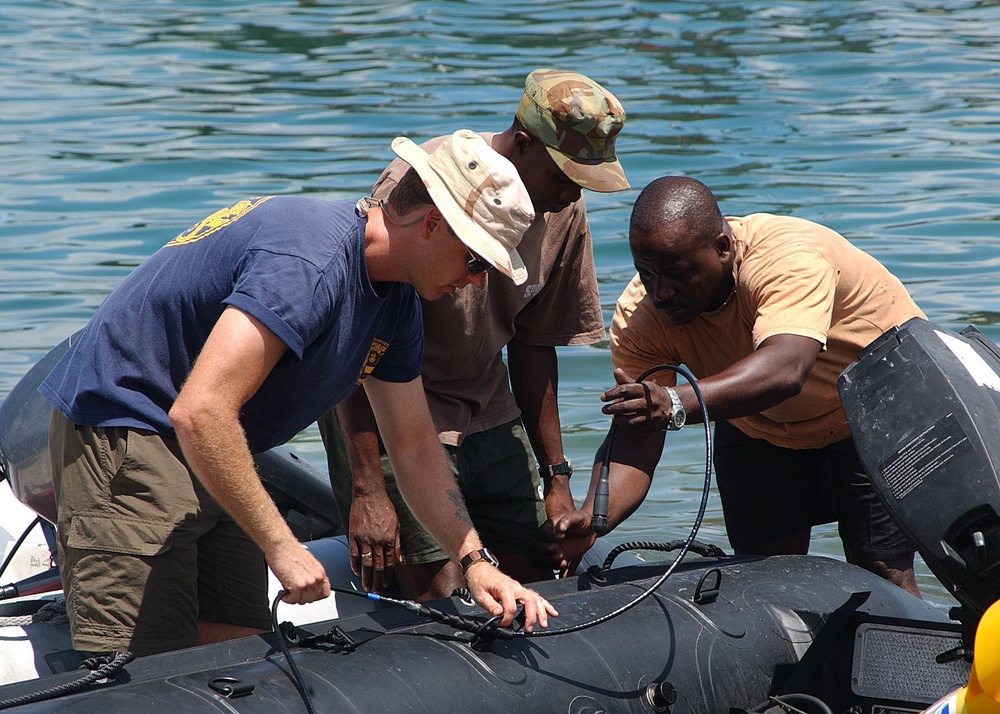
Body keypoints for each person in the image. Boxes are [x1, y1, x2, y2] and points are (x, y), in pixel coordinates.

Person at [39, 129, 557, 657]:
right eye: (477, 261)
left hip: (217, 445)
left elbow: (414, 446)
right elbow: (200, 410)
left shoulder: (398, 302)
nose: (477, 283)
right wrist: (282, 544)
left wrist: (475, 563)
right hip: (130, 426)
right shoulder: (310, 261)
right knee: (148, 667)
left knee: (240, 655)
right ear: (432, 224)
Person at [319, 68, 629, 600]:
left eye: (584, 180)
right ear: (523, 144)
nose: (572, 193)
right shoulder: (430, 183)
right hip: (392, 402)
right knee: (442, 593)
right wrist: (368, 487)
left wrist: (557, 479)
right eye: (565, 175)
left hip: (488, 400)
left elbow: (535, 343)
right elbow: (352, 338)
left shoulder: (564, 207)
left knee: (536, 578)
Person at [540, 176, 924, 597]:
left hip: (875, 411)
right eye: (646, 273)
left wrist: (674, 402)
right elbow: (638, 435)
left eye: (678, 273)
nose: (661, 292)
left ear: (723, 248)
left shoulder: (787, 259)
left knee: (881, 570)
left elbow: (786, 369)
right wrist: (595, 519)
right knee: (766, 576)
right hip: (760, 422)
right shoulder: (641, 317)